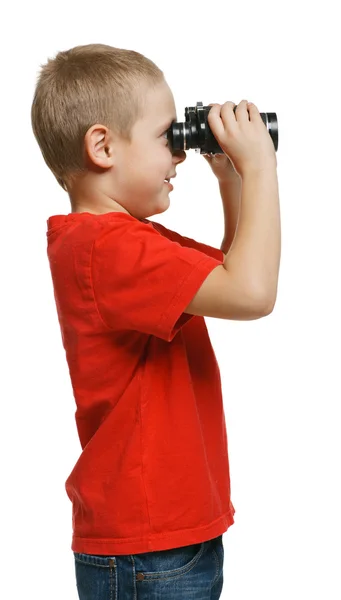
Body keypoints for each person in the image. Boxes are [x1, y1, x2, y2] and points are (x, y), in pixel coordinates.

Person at [31, 43, 281, 600]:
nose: (181, 153)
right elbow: (253, 291)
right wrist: (260, 166)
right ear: (103, 146)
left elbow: (234, 271)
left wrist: (231, 180)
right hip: (148, 545)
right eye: (168, 136)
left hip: (165, 535)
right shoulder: (107, 250)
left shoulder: (120, 242)